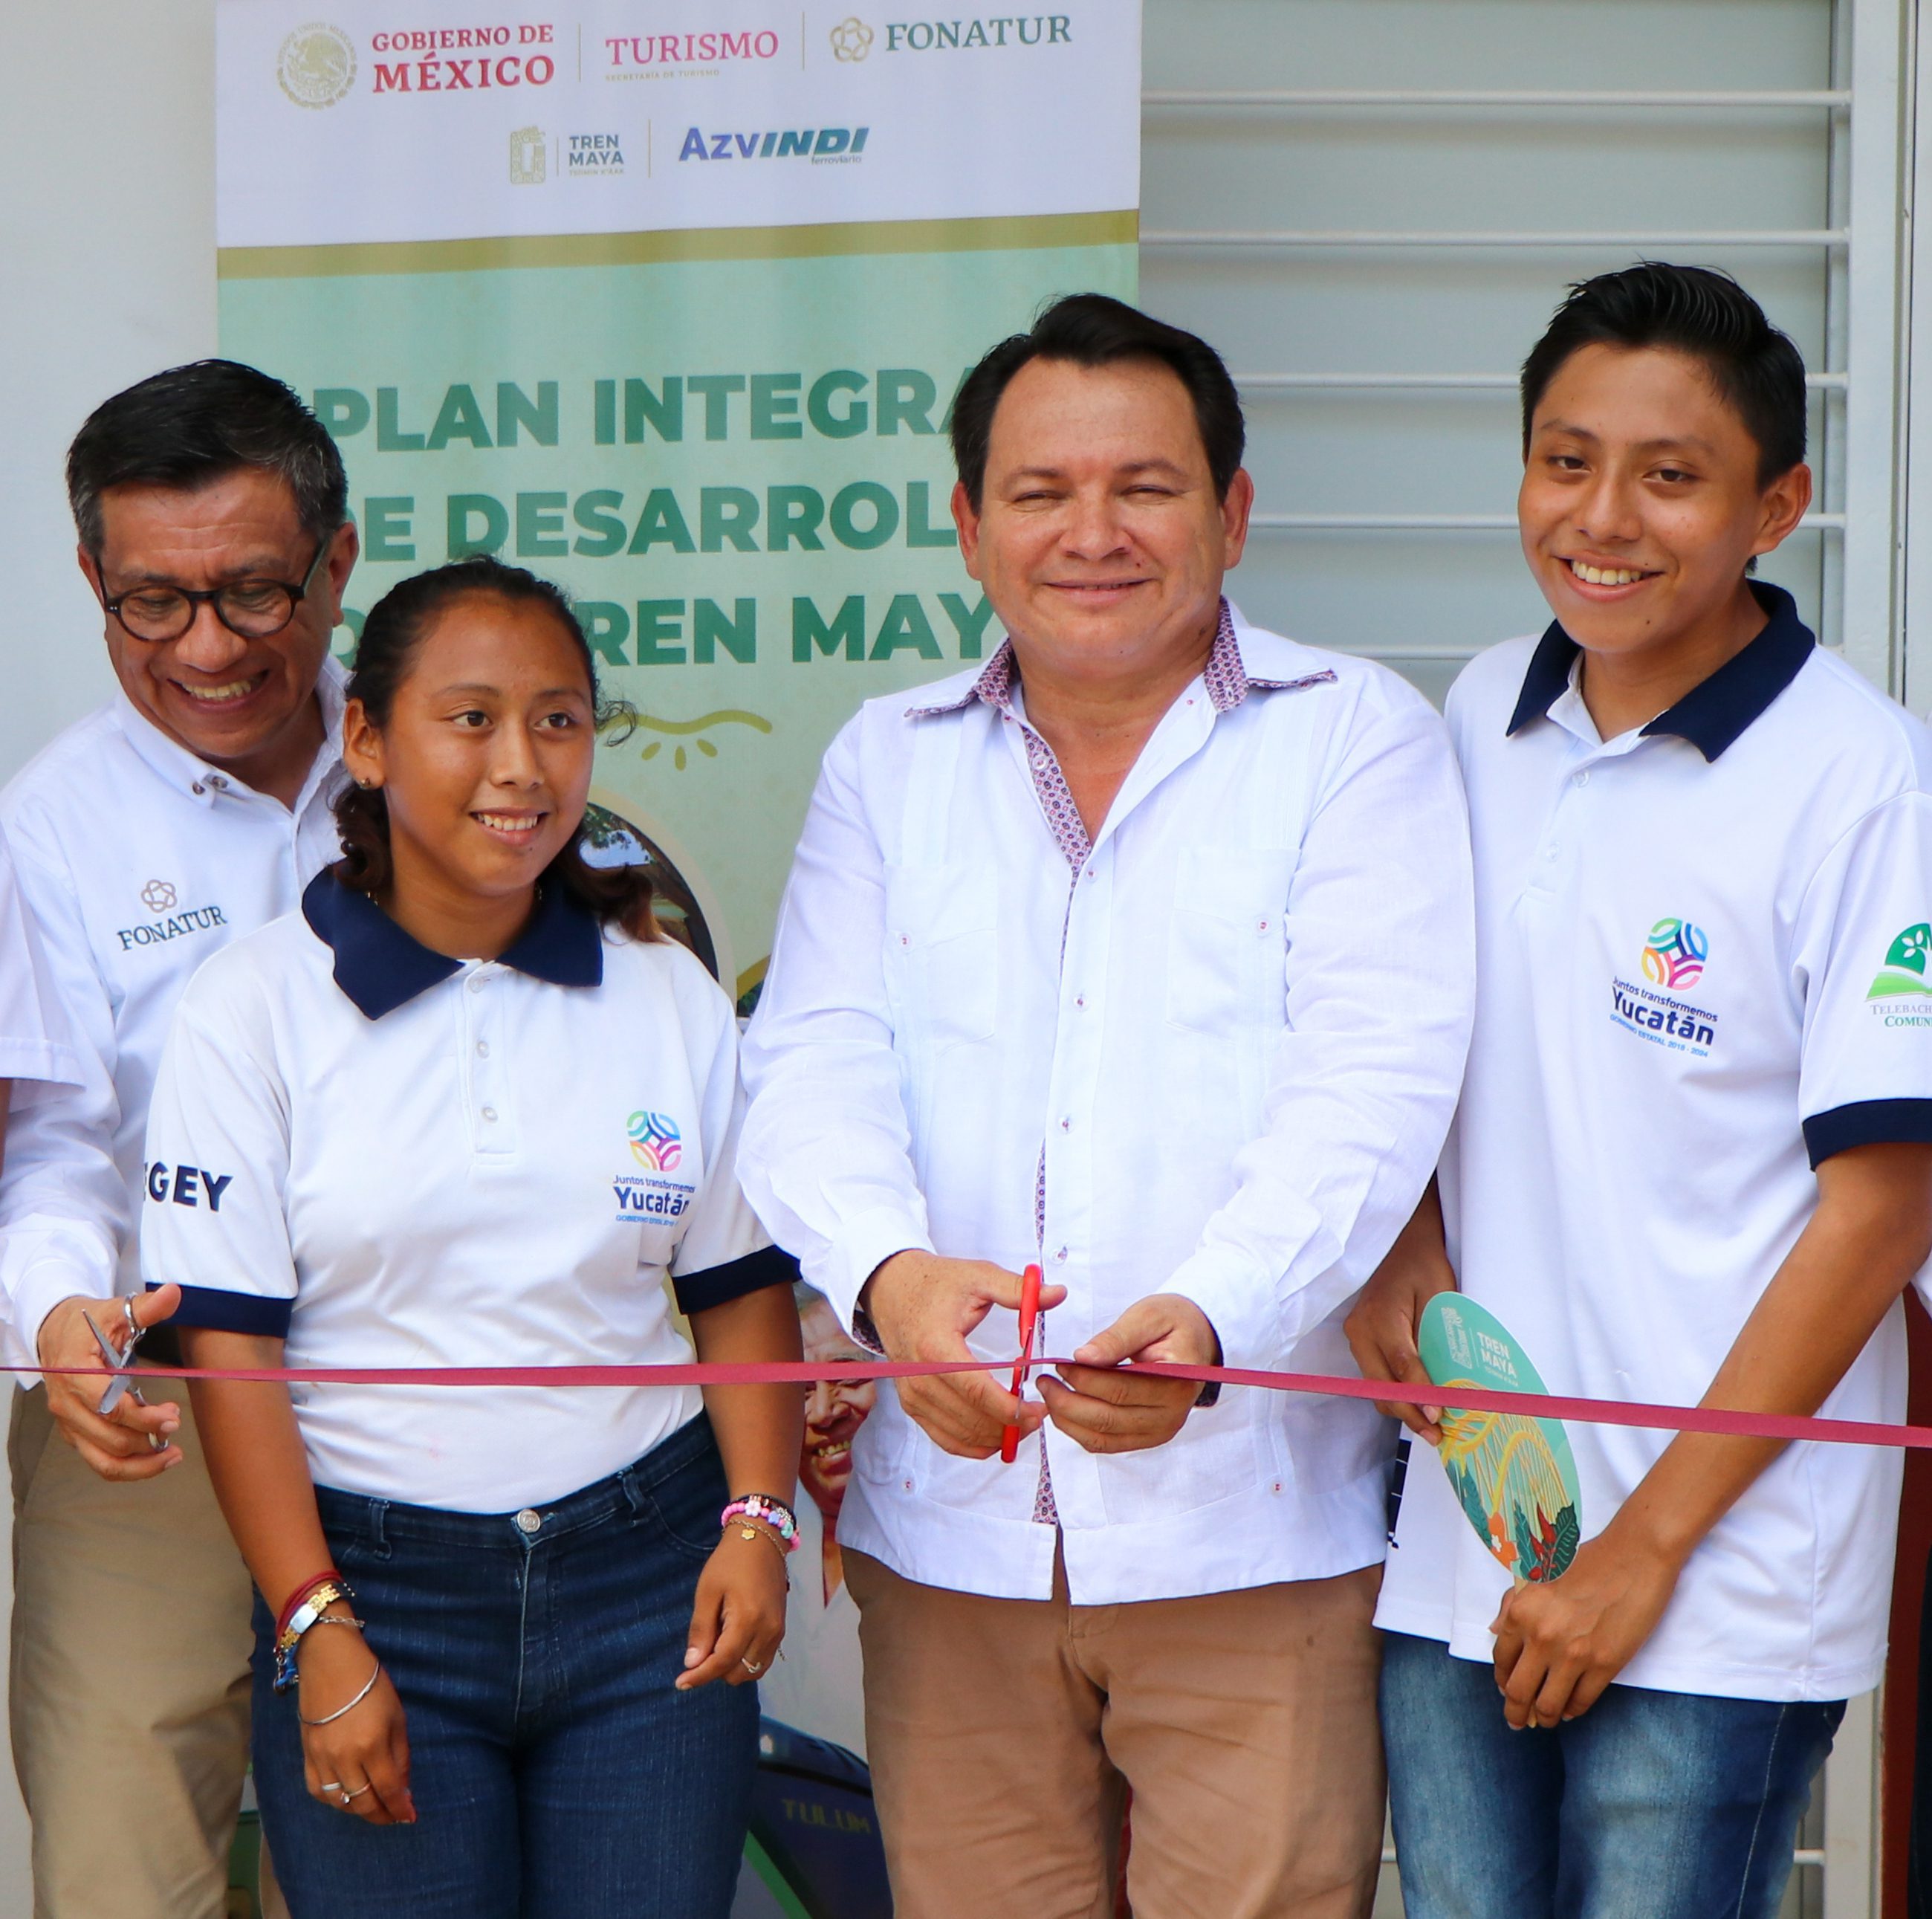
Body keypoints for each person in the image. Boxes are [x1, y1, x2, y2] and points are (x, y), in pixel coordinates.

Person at [739, 292, 1476, 1918]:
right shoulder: (887, 760)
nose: (1092, 534)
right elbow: (811, 1062)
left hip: (1252, 1526)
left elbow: (1374, 1084)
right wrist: (887, 1283)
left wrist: (1214, 1318)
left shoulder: (1353, 738)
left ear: (1232, 511)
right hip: (954, 1532)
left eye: (1144, 487)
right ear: (967, 525)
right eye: (1040, 492)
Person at [1348, 262, 1932, 1919]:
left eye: (1669, 476)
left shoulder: (1862, 778)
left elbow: (1885, 1205)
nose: (1601, 519)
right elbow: (1406, 1043)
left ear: (1776, 507)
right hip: (1469, 1537)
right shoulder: (1480, 711)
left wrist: (1646, 1549)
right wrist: (1398, 1241)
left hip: (1721, 1574)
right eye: (1565, 459)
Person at [140, 557, 803, 1918]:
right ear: (368, 740)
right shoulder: (252, 1006)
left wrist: (756, 1519)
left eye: (559, 720)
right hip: (374, 1593)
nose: (521, 765)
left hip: (651, 1585)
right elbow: (232, 1350)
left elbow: (737, 1288)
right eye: (471, 718)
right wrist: (315, 1623)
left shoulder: (665, 991)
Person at [0, 360, 358, 1918]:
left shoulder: (452, 761)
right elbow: (52, 1136)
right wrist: (60, 1320)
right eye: (153, 602)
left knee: (401, 1864)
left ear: (336, 563)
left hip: (423, 1394)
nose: (208, 648)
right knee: (123, 1866)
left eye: (253, 591)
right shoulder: (47, 827)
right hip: (147, 1411)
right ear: (93, 581)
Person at [755, 1285, 877, 1757]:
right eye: (801, 1391)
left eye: (847, 1377)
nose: (824, 1412)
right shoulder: (752, 1531)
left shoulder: (946, 1550)